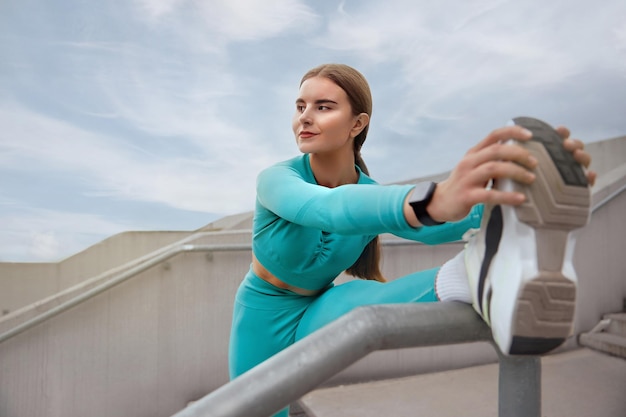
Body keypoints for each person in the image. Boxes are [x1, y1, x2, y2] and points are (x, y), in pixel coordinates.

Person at [228, 63, 595, 417]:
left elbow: (434, 227)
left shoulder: (369, 193)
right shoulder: (276, 180)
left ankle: (471, 273)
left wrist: (509, 198)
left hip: (319, 307)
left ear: (358, 124)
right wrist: (431, 198)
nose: (304, 117)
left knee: (365, 303)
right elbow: (326, 207)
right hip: (262, 314)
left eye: (323, 107)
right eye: (300, 106)